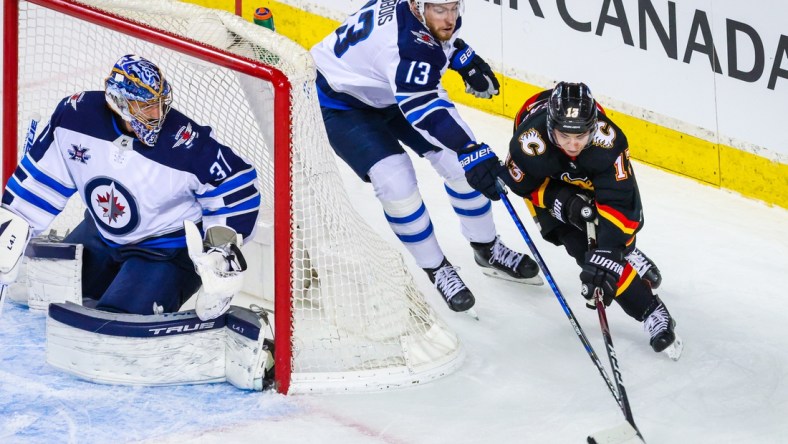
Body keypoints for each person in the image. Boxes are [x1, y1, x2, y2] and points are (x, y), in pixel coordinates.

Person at [309, 0, 541, 314]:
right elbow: (423, 108)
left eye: (453, 7)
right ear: (418, 7)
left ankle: (487, 249)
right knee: (396, 181)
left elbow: (431, 45)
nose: (449, 17)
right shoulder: (404, 47)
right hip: (340, 103)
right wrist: (469, 149)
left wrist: (460, 55)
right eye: (439, 10)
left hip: (386, 87)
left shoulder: (417, 19)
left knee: (459, 167)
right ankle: (436, 267)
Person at [0, 54, 259, 320]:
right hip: (99, 235)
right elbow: (41, 183)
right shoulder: (75, 117)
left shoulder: (185, 143)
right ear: (119, 103)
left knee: (114, 323)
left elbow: (236, 183)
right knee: (47, 300)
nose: (157, 114)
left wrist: (220, 250)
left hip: (165, 251)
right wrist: (13, 226)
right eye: (145, 106)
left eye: (159, 103)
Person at [471, 81, 678, 355]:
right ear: (549, 129)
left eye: (580, 135)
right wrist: (564, 203)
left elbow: (622, 205)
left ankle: (650, 303)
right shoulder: (529, 142)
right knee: (581, 247)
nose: (573, 144)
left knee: (610, 243)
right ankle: (647, 307)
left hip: (591, 177)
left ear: (593, 127)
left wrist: (611, 250)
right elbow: (524, 186)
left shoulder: (608, 143)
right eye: (564, 136)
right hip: (547, 181)